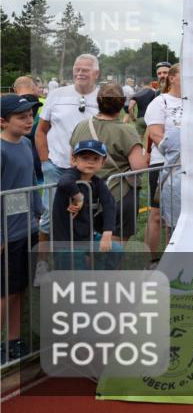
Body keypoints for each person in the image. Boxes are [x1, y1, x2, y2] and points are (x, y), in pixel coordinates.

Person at [35, 54, 100, 241]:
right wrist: (45, 163)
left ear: (96, 73)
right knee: (49, 218)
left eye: (85, 70)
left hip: (88, 171)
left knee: (86, 216)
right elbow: (41, 130)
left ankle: (80, 256)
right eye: (76, 69)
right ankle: (43, 257)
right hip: (56, 166)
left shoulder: (103, 97)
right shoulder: (57, 95)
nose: (80, 73)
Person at [69, 83, 145, 241]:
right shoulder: (127, 131)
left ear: (98, 101)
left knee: (88, 244)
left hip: (86, 195)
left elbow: (73, 161)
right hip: (118, 194)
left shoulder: (81, 126)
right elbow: (138, 167)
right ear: (122, 103)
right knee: (114, 246)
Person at [1, 95, 44, 362]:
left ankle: (12, 341)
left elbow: (31, 181)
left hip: (26, 228)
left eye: (30, 115)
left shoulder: (27, 144)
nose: (29, 120)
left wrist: (39, 211)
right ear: (2, 122)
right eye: (21, 117)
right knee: (4, 293)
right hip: (7, 233)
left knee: (18, 289)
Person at [51, 140, 117, 269]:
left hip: (86, 236)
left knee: (115, 250)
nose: (90, 162)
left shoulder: (97, 182)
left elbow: (110, 204)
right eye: (85, 158)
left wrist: (107, 233)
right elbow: (64, 182)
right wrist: (79, 198)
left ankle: (98, 278)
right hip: (66, 239)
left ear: (103, 162)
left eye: (96, 158)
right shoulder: (71, 174)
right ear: (74, 160)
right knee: (74, 272)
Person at [144, 63, 182, 256]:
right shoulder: (160, 102)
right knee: (158, 215)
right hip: (163, 164)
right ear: (172, 78)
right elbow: (156, 134)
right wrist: (175, 153)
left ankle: (171, 259)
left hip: (187, 166)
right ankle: (149, 259)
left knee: (177, 218)